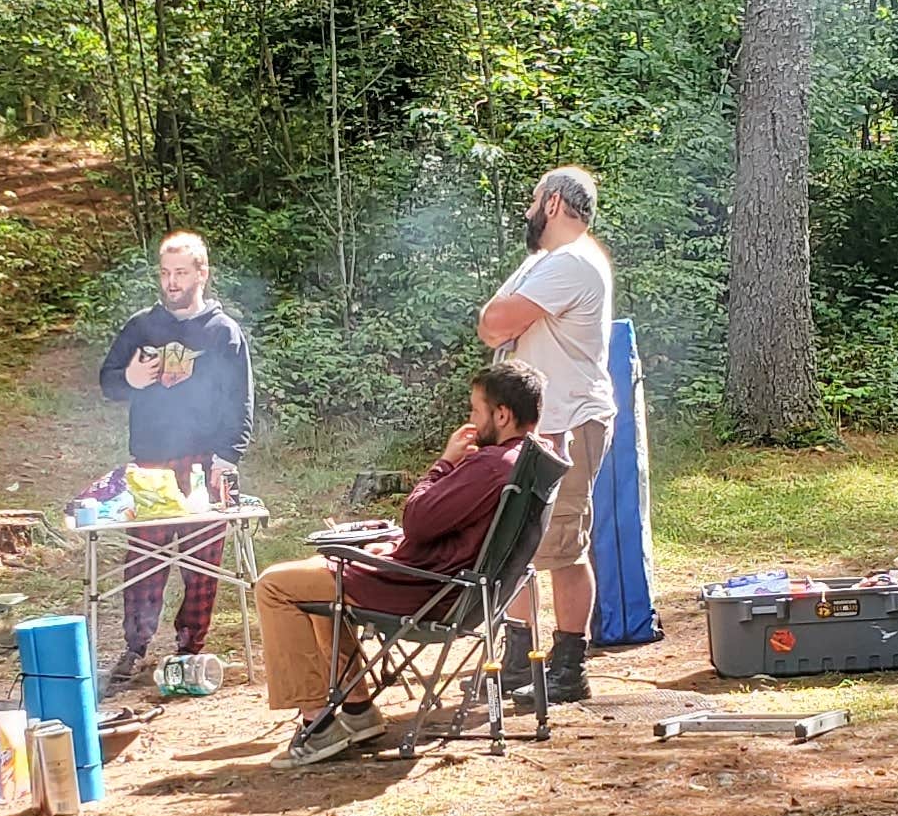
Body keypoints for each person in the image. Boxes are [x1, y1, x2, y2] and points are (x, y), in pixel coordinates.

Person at [254, 362, 546, 767]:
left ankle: (317, 724)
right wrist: (392, 548)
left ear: (501, 415)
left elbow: (418, 519)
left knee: (274, 585)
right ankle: (358, 709)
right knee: (317, 574)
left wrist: (445, 462)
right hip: (448, 587)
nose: (470, 419)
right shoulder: (529, 460)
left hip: (421, 590)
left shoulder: (490, 465)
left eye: (475, 410)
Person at [474, 166, 617, 703]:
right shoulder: (543, 261)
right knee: (516, 542)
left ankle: (569, 668)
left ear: (553, 203)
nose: (528, 210)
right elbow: (492, 325)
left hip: (568, 423)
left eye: (534, 200)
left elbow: (497, 322)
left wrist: (506, 319)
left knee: (562, 546)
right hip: (540, 424)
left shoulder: (573, 261)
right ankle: (519, 661)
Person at [96, 230, 254, 685]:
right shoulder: (141, 327)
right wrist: (131, 379)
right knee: (143, 561)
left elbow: (240, 400)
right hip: (150, 463)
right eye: (165, 273)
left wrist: (228, 456)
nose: (171, 282)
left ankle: (189, 649)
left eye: (181, 273)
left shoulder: (223, 332)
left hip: (204, 463)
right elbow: (108, 382)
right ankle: (135, 647)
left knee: (202, 565)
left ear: (202, 274)